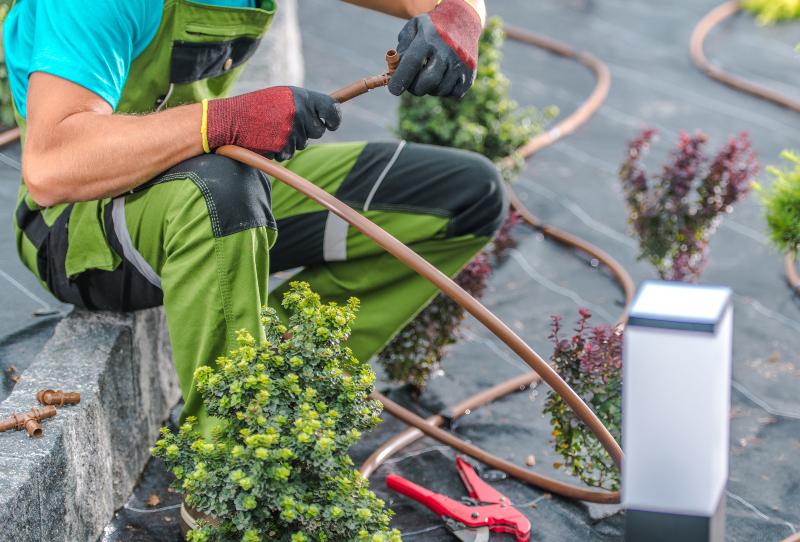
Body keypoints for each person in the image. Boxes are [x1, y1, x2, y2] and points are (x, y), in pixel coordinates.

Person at [4, 0, 505, 434]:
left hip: (203, 180)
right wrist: (227, 119)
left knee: (463, 198)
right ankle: (228, 465)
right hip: (81, 226)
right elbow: (53, 166)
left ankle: (280, 390)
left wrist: (460, 14)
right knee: (222, 189)